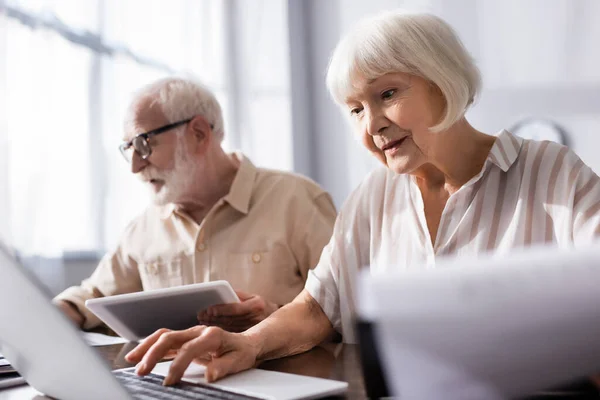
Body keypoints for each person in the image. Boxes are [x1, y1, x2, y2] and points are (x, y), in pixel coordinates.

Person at [125, 11, 600, 386]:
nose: (371, 124)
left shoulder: (552, 172)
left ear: (444, 80)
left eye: (387, 93)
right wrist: (247, 344)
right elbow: (316, 308)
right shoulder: (374, 195)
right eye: (355, 109)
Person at [53, 77, 337, 332]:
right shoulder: (143, 228)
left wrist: (273, 319)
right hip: (177, 383)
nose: (136, 167)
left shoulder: (298, 201)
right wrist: (55, 315)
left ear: (199, 133)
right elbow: (93, 296)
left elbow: (345, 308)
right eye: (130, 151)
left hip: (284, 383)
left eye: (143, 145)